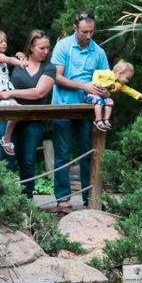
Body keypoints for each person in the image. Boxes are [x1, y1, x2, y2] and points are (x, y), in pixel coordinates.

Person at [50, 12, 110, 209]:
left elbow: (108, 86)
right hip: (63, 107)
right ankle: (62, 198)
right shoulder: (63, 46)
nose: (89, 36)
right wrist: (83, 86)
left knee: (88, 153)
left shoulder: (98, 52)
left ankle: (89, 197)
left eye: (92, 31)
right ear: (75, 28)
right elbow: (57, 78)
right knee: (62, 153)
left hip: (88, 110)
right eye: (85, 31)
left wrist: (104, 90)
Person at [0, 30, 56, 196]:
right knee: (6, 159)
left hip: (32, 120)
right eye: (41, 48)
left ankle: (26, 199)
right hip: (6, 118)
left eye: (48, 47)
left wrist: (12, 93)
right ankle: (4, 198)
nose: (45, 51)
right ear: (31, 47)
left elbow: (38, 93)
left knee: (27, 160)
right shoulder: (15, 62)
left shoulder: (49, 68)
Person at [0, 29, 25, 157]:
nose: (4, 44)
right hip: (1, 91)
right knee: (16, 110)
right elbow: (9, 59)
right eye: (1, 41)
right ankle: (6, 138)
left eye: (5, 41)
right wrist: (21, 63)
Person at [87, 59, 142, 130]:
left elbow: (129, 90)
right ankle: (98, 120)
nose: (127, 81)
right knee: (99, 101)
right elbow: (96, 72)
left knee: (110, 101)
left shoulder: (119, 84)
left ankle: (106, 120)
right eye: (127, 78)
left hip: (101, 98)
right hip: (91, 95)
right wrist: (96, 83)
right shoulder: (108, 74)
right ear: (120, 73)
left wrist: (141, 95)